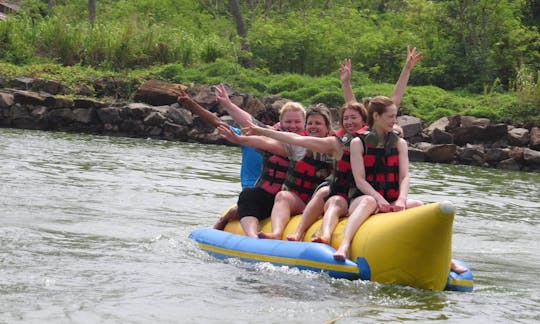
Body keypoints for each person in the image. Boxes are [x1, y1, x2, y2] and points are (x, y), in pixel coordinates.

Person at [249, 46, 423, 243]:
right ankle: (302, 232)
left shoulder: (371, 135)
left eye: (354, 119)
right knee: (324, 191)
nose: (350, 122)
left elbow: (392, 102)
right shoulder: (340, 142)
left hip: (370, 191)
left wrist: (406, 70)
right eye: (345, 119)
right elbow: (298, 139)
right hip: (344, 189)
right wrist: (261, 130)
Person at [333, 95, 423, 260]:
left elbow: (404, 176)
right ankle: (344, 245)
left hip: (392, 200)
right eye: (390, 116)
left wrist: (402, 199)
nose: (394, 121)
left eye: (395, 116)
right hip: (362, 199)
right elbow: (360, 180)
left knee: (419, 205)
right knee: (369, 201)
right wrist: (378, 198)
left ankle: (442, 259)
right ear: (376, 116)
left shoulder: (400, 143)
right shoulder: (358, 143)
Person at [254, 105, 334, 240]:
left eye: (318, 123)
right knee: (283, 196)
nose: (313, 126)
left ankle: (311, 232)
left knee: (325, 191)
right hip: (301, 202)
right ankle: (277, 233)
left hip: (324, 202)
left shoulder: (336, 146)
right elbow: (277, 139)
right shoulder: (299, 146)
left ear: (328, 127)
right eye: (310, 123)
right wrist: (243, 137)